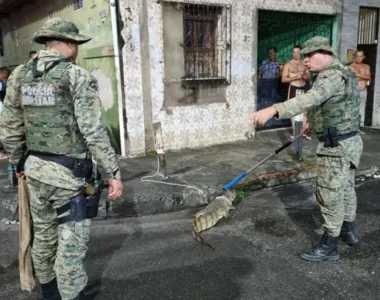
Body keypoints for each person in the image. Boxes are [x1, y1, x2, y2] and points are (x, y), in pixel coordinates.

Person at [0, 17, 124, 299]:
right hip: (69, 179)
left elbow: (9, 127)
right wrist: (113, 174)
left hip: (35, 173)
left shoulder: (19, 75)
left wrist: (18, 163)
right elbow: (93, 131)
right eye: (76, 44)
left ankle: (50, 294)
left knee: (44, 238)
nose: (77, 49)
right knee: (71, 246)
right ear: (68, 43)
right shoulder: (76, 76)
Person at [251, 36, 363, 262]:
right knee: (347, 189)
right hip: (350, 141)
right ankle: (347, 231)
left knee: (330, 195)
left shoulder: (329, 76)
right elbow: (338, 105)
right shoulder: (346, 72)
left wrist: (273, 109)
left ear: (325, 53)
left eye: (310, 56)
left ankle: (329, 246)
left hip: (336, 148)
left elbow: (312, 98)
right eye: (304, 57)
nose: (306, 61)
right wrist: (316, 123)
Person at [281, 45, 311, 140]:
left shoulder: (304, 64)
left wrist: (306, 77)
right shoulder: (288, 65)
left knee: (304, 112)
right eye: (294, 52)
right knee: (293, 111)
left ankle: (302, 132)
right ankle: (295, 132)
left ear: (300, 53)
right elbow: (283, 79)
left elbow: (309, 77)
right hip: (293, 88)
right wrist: (296, 77)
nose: (296, 54)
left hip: (304, 87)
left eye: (298, 52)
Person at [349, 50, 371, 128]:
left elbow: (368, 77)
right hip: (354, 88)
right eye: (357, 56)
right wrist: (363, 75)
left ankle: (359, 126)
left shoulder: (367, 66)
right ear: (355, 57)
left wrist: (358, 74)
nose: (359, 58)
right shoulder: (351, 66)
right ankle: (352, 127)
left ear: (363, 57)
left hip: (364, 89)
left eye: (360, 56)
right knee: (353, 107)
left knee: (362, 107)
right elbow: (351, 78)